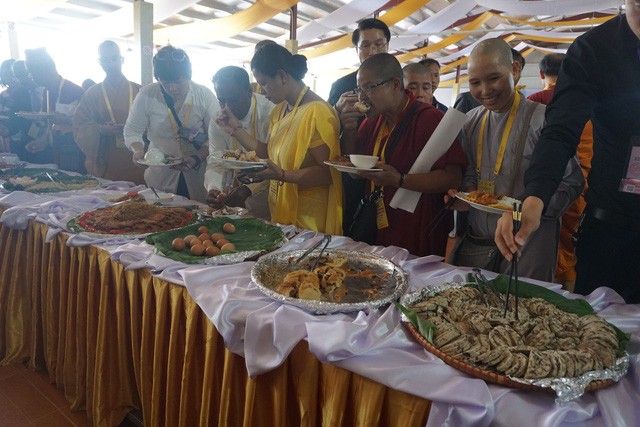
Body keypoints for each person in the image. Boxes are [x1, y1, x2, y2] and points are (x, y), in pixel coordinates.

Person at [496, 0, 640, 302]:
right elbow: (561, 130)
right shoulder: (595, 49)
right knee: (600, 332)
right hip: (613, 226)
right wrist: (534, 197)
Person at [449, 38, 583, 282]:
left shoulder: (543, 120)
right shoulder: (470, 121)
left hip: (528, 242)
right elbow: (469, 173)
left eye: (493, 78)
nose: (485, 91)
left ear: (515, 70)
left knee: (521, 314)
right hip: (478, 240)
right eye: (475, 83)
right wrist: (464, 194)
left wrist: (525, 211)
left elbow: (572, 183)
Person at [340, 53, 466, 257]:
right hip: (376, 217)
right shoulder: (372, 121)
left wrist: (399, 179)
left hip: (416, 221)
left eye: (369, 87)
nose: (362, 97)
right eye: (359, 89)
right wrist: (349, 129)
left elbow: (453, 177)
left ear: (395, 85)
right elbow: (353, 168)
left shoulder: (430, 119)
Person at [215, 43, 342, 234]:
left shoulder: (318, 112)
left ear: (282, 76)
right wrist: (236, 130)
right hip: (282, 210)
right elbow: (270, 153)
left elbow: (327, 173)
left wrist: (282, 175)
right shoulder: (280, 110)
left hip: (309, 218)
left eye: (264, 83)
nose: (262, 91)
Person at [527, 53, 593, 289]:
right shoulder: (586, 100)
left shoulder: (535, 101)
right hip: (582, 184)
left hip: (545, 187)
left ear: (541, 74)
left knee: (548, 244)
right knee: (570, 246)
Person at [123, 45, 218, 203]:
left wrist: (196, 158)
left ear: (188, 76)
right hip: (160, 172)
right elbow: (132, 130)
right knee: (162, 215)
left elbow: (216, 137)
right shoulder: (147, 94)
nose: (172, 88)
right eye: (165, 82)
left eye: (178, 82)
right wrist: (138, 151)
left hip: (197, 170)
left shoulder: (204, 95)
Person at [205, 66, 274, 218]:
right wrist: (213, 187)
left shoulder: (270, 112)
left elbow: (275, 160)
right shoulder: (218, 118)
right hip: (236, 200)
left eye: (233, 99)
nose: (227, 107)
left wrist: (248, 189)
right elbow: (216, 159)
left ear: (249, 91)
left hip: (271, 196)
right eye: (221, 100)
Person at [72, 41, 143, 183]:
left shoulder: (140, 91)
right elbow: (80, 126)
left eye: (114, 58)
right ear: (99, 62)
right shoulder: (92, 94)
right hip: (107, 157)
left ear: (122, 59)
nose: (110, 63)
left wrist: (135, 130)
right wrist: (101, 129)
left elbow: (156, 124)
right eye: (105, 59)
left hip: (137, 158)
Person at [24, 48, 85, 172]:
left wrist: (66, 120)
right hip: (54, 151)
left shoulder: (74, 91)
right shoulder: (45, 92)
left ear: (44, 70)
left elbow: (85, 124)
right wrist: (42, 142)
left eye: (31, 72)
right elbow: (48, 124)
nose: (30, 77)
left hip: (73, 153)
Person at [328, 18, 391, 110]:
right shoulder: (340, 87)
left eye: (378, 44)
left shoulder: (400, 82)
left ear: (387, 46)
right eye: (365, 46)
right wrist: (338, 113)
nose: (372, 52)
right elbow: (326, 121)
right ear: (357, 49)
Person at [454, 48, 526, 114]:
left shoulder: (525, 105)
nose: (486, 91)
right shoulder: (466, 100)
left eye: (494, 78)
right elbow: (451, 127)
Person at [0, 59, 32, 155]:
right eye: (5, 74)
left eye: (11, 73)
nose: (9, 77)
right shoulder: (2, 95)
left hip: (24, 136)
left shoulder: (26, 93)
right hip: (6, 135)